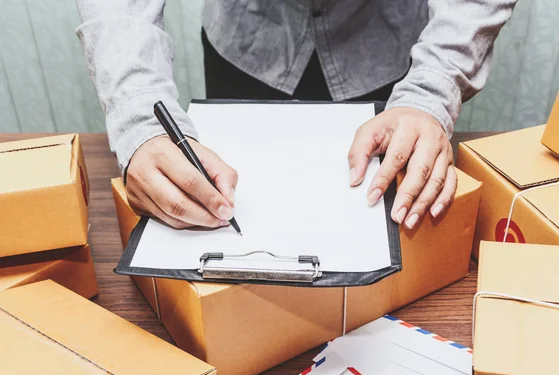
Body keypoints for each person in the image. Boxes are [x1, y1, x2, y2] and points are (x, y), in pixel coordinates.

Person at [76, 1, 516, 230]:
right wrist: (138, 114)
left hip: (390, 48)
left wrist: (432, 89)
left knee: (386, 221)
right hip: (247, 40)